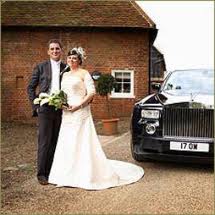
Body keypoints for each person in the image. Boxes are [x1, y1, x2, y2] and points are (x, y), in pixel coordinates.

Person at [48, 47, 144, 190]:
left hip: (80, 111)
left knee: (81, 141)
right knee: (67, 141)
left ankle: (85, 174)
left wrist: (79, 106)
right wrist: (61, 103)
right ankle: (65, 174)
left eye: (74, 58)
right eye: (69, 58)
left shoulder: (84, 73)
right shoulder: (65, 75)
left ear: (79, 60)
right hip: (67, 112)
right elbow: (63, 92)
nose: (71, 60)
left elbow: (91, 93)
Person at [27, 39, 67, 185]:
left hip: (60, 109)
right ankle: (41, 174)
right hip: (45, 108)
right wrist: (35, 106)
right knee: (44, 141)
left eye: (57, 49)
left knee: (56, 141)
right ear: (48, 51)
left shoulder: (66, 68)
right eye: (52, 49)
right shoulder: (41, 67)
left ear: (61, 50)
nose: (55, 51)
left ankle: (52, 171)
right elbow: (30, 87)